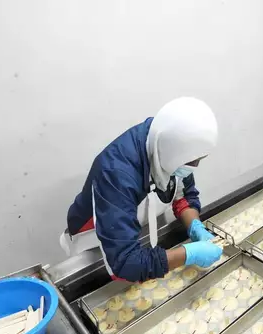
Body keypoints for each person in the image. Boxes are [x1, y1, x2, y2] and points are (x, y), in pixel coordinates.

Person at [61, 97, 223, 282]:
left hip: (135, 235)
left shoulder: (171, 148)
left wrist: (195, 226)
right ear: (173, 152)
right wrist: (188, 254)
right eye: (192, 162)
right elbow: (124, 263)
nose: (194, 166)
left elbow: (184, 195)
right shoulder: (116, 174)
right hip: (95, 247)